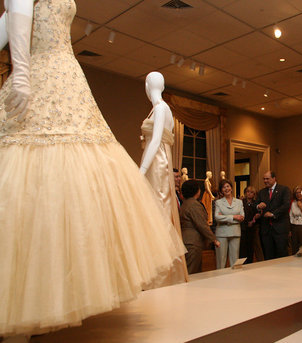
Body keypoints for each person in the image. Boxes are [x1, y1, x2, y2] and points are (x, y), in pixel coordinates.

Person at [0, 0, 187, 339]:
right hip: (41, 77)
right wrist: (22, 75)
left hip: (67, 78)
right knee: (27, 180)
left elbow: (10, 19)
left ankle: (44, 299)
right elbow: (14, 18)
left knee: (71, 192)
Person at [139, 71, 188, 283]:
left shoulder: (160, 108)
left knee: (159, 210)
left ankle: (162, 274)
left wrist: (140, 170)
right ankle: (158, 271)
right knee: (155, 211)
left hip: (157, 160)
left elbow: (156, 139)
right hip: (158, 159)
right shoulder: (157, 108)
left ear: (149, 85)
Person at [180, 180, 221, 274]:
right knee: (192, 273)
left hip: (186, 240)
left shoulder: (185, 204)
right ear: (197, 191)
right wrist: (214, 239)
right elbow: (201, 224)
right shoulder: (193, 204)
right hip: (193, 242)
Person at [255, 171, 291, 260]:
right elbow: (255, 205)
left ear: (274, 178)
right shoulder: (261, 192)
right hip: (266, 231)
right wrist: (258, 206)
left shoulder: (284, 189)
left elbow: (286, 205)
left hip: (280, 230)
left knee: (282, 257)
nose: (265, 181)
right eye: (264, 179)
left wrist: (273, 214)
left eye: (267, 179)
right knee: (268, 257)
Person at [214, 179, 244, 268]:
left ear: (231, 188)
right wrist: (234, 217)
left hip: (235, 232)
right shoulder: (218, 202)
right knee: (221, 261)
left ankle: (235, 280)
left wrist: (224, 217)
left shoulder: (239, 202)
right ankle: (220, 280)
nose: (226, 189)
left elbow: (242, 217)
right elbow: (217, 217)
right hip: (222, 234)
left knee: (235, 261)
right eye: (223, 187)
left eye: (228, 186)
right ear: (221, 190)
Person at [240, 186, 260, 264]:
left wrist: (253, 221)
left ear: (254, 194)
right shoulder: (241, 202)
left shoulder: (255, 203)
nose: (249, 193)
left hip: (252, 228)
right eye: (248, 191)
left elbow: (258, 214)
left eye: (251, 192)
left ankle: (249, 263)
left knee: (250, 248)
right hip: (243, 227)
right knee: (242, 248)